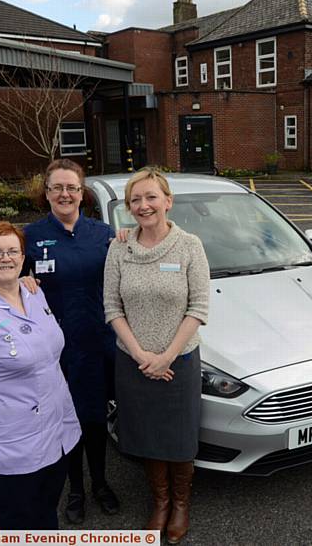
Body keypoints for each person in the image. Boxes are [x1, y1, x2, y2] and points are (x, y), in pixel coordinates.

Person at [103, 168, 209, 543]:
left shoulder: (190, 246)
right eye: (136, 200)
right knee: (147, 435)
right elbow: (112, 307)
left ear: (168, 201)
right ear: (128, 207)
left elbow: (198, 308)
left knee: (179, 438)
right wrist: (140, 355)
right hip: (133, 362)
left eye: (151, 197)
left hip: (178, 361)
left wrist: (166, 356)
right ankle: (160, 502)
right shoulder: (119, 248)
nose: (143, 205)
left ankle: (180, 503)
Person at [0, 222, 80, 529]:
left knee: (47, 508)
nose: (5, 258)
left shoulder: (34, 292)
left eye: (13, 251)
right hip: (15, 438)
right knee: (20, 518)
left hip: (56, 425)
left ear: (23, 259)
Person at [23, 159, 119, 524]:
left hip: (97, 343)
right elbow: (7, 288)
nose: (65, 194)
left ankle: (100, 483)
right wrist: (21, 283)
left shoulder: (104, 233)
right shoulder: (30, 236)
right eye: (57, 188)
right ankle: (75, 489)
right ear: (46, 193)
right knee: (65, 421)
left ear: (83, 193)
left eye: (72, 188)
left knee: (95, 419)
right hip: (54, 351)